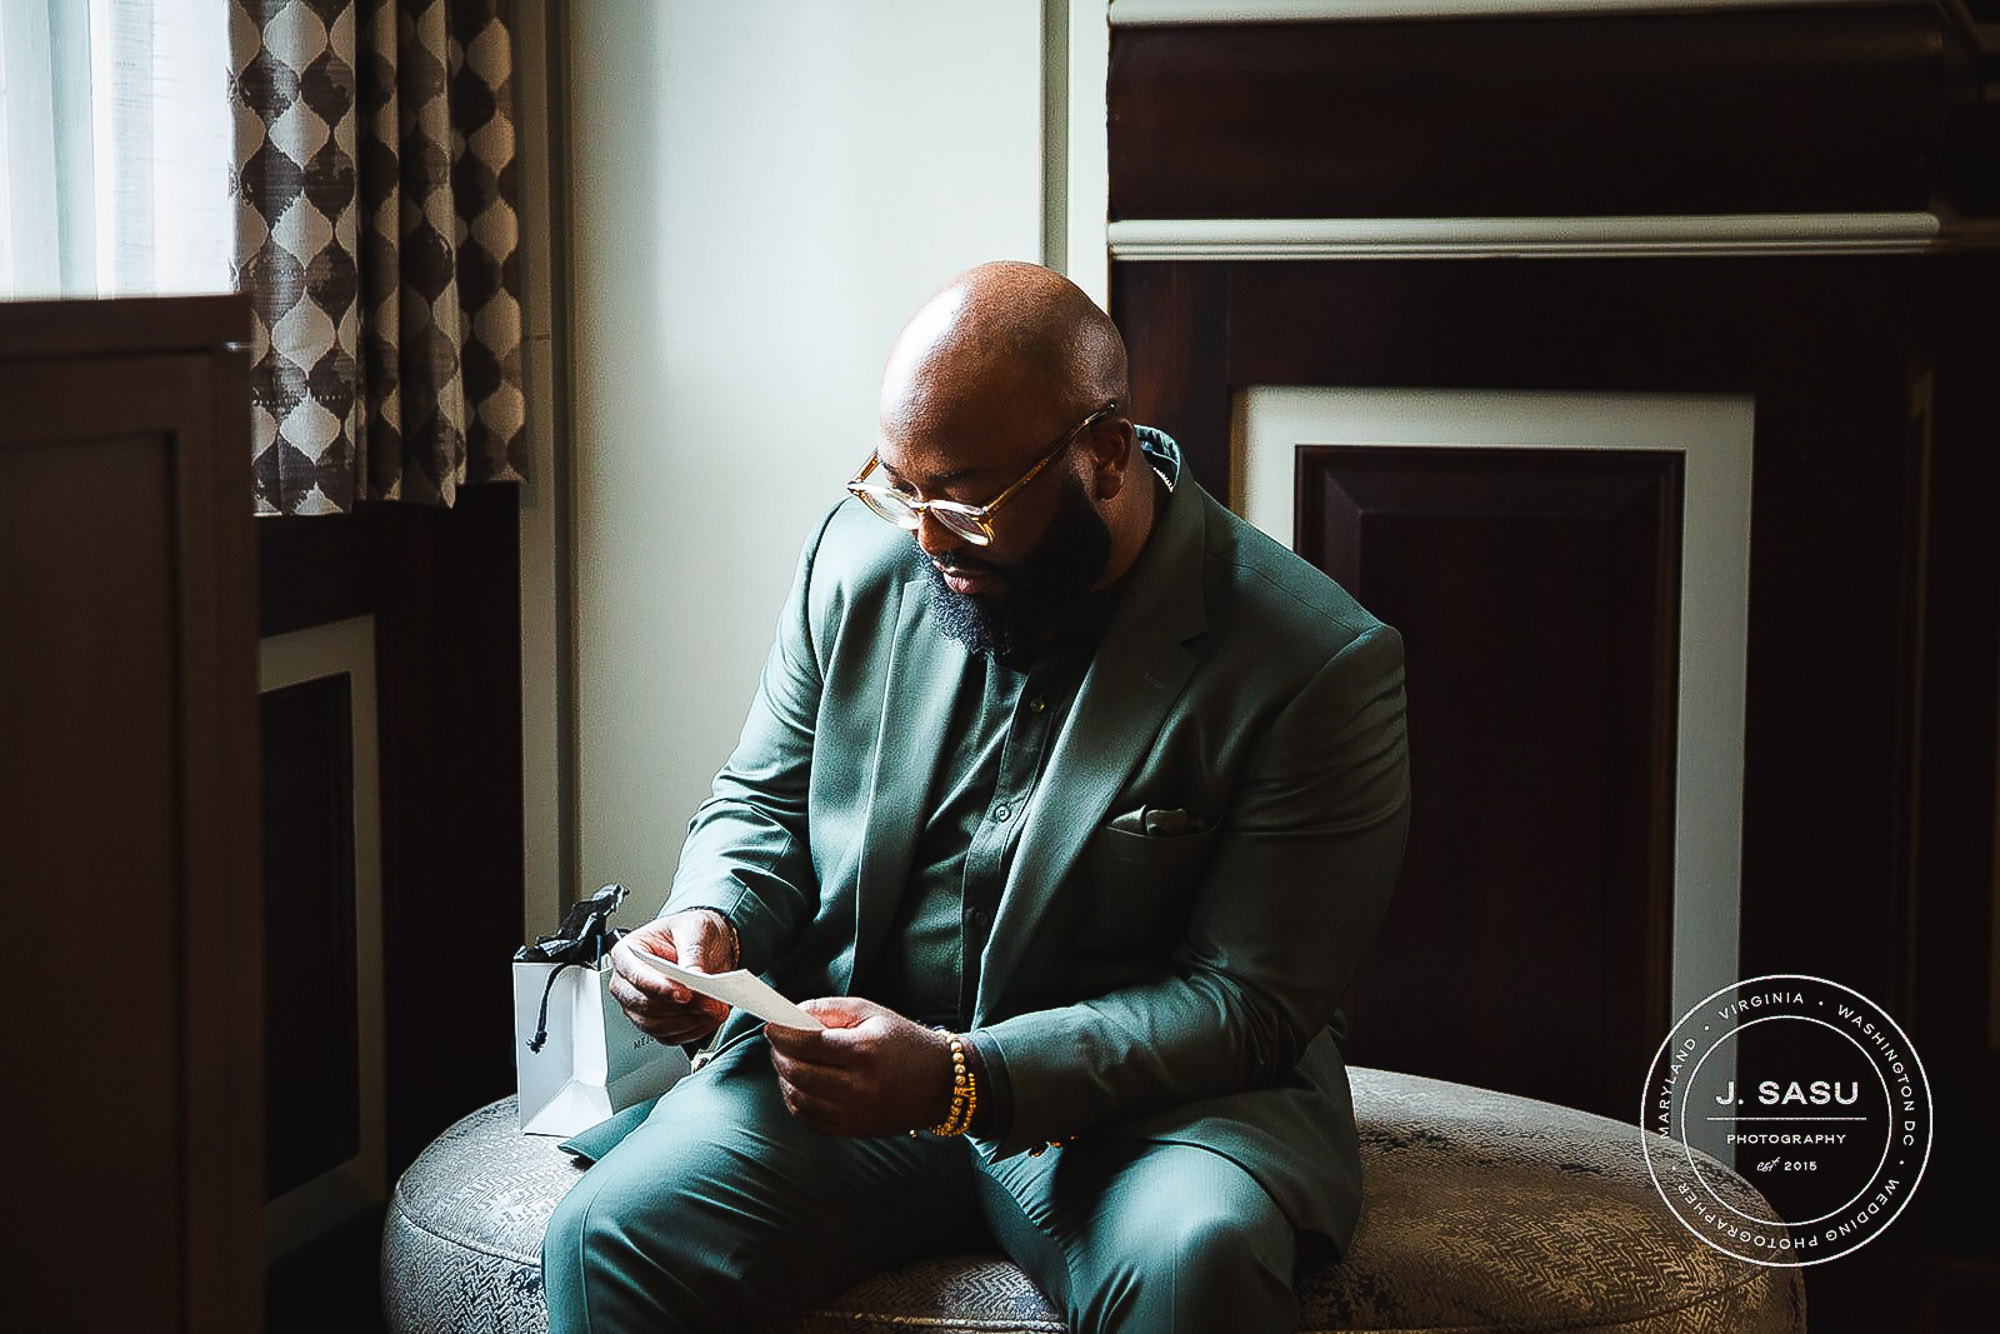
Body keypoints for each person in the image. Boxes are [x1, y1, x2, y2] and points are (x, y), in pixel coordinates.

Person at [542, 261, 1410, 1333]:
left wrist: (963, 1077)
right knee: (608, 1231)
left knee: (1197, 1259)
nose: (924, 536)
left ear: (1103, 450)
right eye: (899, 485)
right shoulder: (859, 554)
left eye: (963, 494)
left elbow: (1246, 1002)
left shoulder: (1314, 660)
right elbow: (760, 805)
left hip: (1144, 1117)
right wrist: (709, 920)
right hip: (841, 1076)